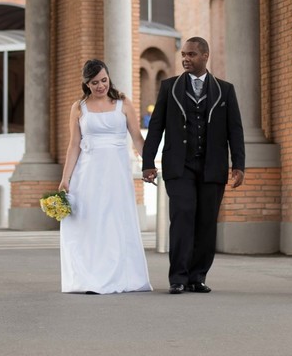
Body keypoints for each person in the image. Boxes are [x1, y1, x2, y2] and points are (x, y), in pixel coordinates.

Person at [141, 36, 244, 295]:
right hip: (179, 167)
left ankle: (197, 277)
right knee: (183, 217)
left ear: (205, 56)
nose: (185, 59)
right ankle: (178, 277)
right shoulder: (169, 88)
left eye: (191, 55)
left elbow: (235, 130)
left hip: (213, 167)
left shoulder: (225, 90)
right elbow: (156, 128)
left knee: (206, 222)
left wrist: (239, 165)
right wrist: (147, 162)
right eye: (183, 54)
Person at [58, 58, 153, 294]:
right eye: (94, 82)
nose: (100, 86)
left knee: (115, 221)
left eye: (104, 80)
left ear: (108, 77)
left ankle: (121, 275)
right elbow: (74, 145)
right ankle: (90, 277)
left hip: (117, 173)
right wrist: (65, 179)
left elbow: (137, 138)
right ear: (86, 84)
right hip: (88, 172)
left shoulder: (123, 103)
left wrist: (148, 165)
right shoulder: (78, 107)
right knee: (91, 222)